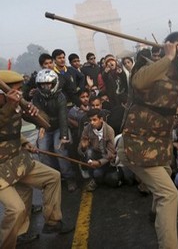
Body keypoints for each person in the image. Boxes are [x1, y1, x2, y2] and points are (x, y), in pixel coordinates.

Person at [117, 32, 178, 248]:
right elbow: (138, 82)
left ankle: (155, 214)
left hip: (157, 145)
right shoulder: (147, 67)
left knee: (165, 178)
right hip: (136, 145)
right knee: (168, 193)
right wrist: (167, 58)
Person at [0, 70, 74, 248]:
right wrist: (10, 106)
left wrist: (33, 115)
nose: (19, 94)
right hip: (1, 169)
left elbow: (15, 128)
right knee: (16, 209)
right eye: (15, 90)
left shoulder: (16, 104)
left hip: (17, 161)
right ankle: (7, 243)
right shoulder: (8, 104)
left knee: (52, 177)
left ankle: (52, 222)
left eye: (20, 90)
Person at [32, 69, 78, 192]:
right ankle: (52, 177)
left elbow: (63, 117)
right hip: (45, 127)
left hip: (59, 126)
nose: (45, 87)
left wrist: (63, 136)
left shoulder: (60, 96)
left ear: (54, 83)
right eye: (42, 85)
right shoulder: (37, 96)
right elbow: (37, 112)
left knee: (60, 149)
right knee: (42, 150)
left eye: (48, 84)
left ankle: (69, 178)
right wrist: (40, 126)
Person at [78, 108, 117, 191]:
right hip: (94, 155)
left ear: (101, 119)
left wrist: (99, 162)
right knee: (89, 152)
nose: (92, 123)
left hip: (106, 159)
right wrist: (83, 148)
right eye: (90, 120)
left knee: (111, 179)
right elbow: (79, 150)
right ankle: (93, 178)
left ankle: (99, 176)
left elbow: (111, 153)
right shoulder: (87, 129)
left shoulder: (109, 131)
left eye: (94, 120)